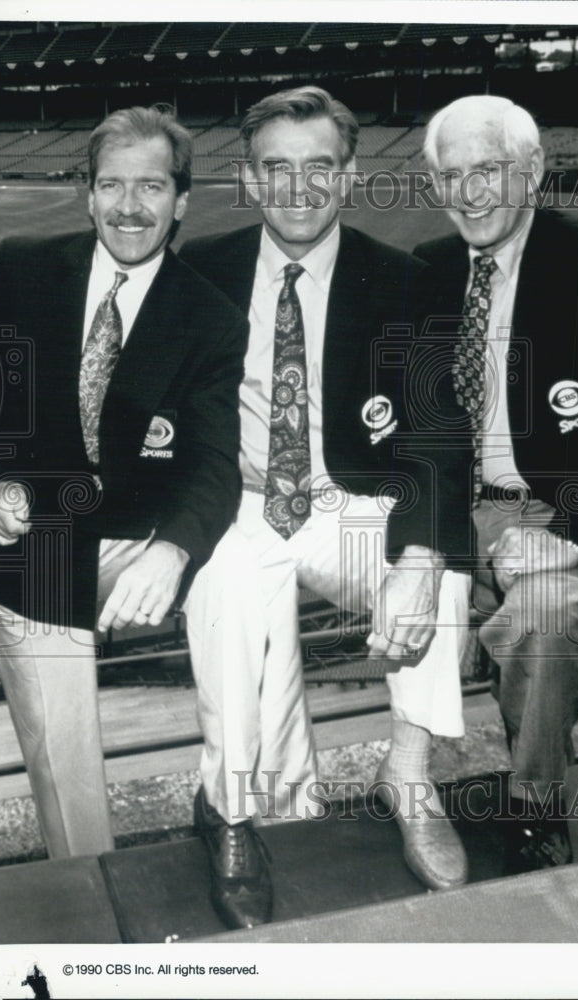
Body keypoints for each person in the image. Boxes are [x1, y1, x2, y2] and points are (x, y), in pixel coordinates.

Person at [179, 86, 472, 928]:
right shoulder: (198, 271)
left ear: (348, 177)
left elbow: (436, 432)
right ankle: (234, 810)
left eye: (318, 167)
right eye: (277, 167)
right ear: (249, 177)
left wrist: (417, 563)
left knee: (439, 569)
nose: (298, 187)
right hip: (237, 498)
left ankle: (409, 774)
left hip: (346, 498)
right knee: (225, 583)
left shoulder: (406, 280)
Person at [415, 94, 578, 872]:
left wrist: (566, 530)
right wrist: (434, 539)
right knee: (401, 589)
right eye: (450, 176)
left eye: (487, 171)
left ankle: (536, 803)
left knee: (547, 610)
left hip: (559, 509)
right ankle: (403, 795)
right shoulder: (423, 274)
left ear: (530, 172)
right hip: (449, 510)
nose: (468, 194)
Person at [0, 106, 247, 862]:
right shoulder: (24, 266)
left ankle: (238, 812)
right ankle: (89, 870)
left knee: (239, 571)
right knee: (60, 730)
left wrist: (173, 551)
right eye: (112, 185)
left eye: (152, 187)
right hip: (36, 539)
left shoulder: (212, 319)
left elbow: (216, 466)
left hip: (136, 536)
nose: (130, 206)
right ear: (89, 194)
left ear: (181, 200)